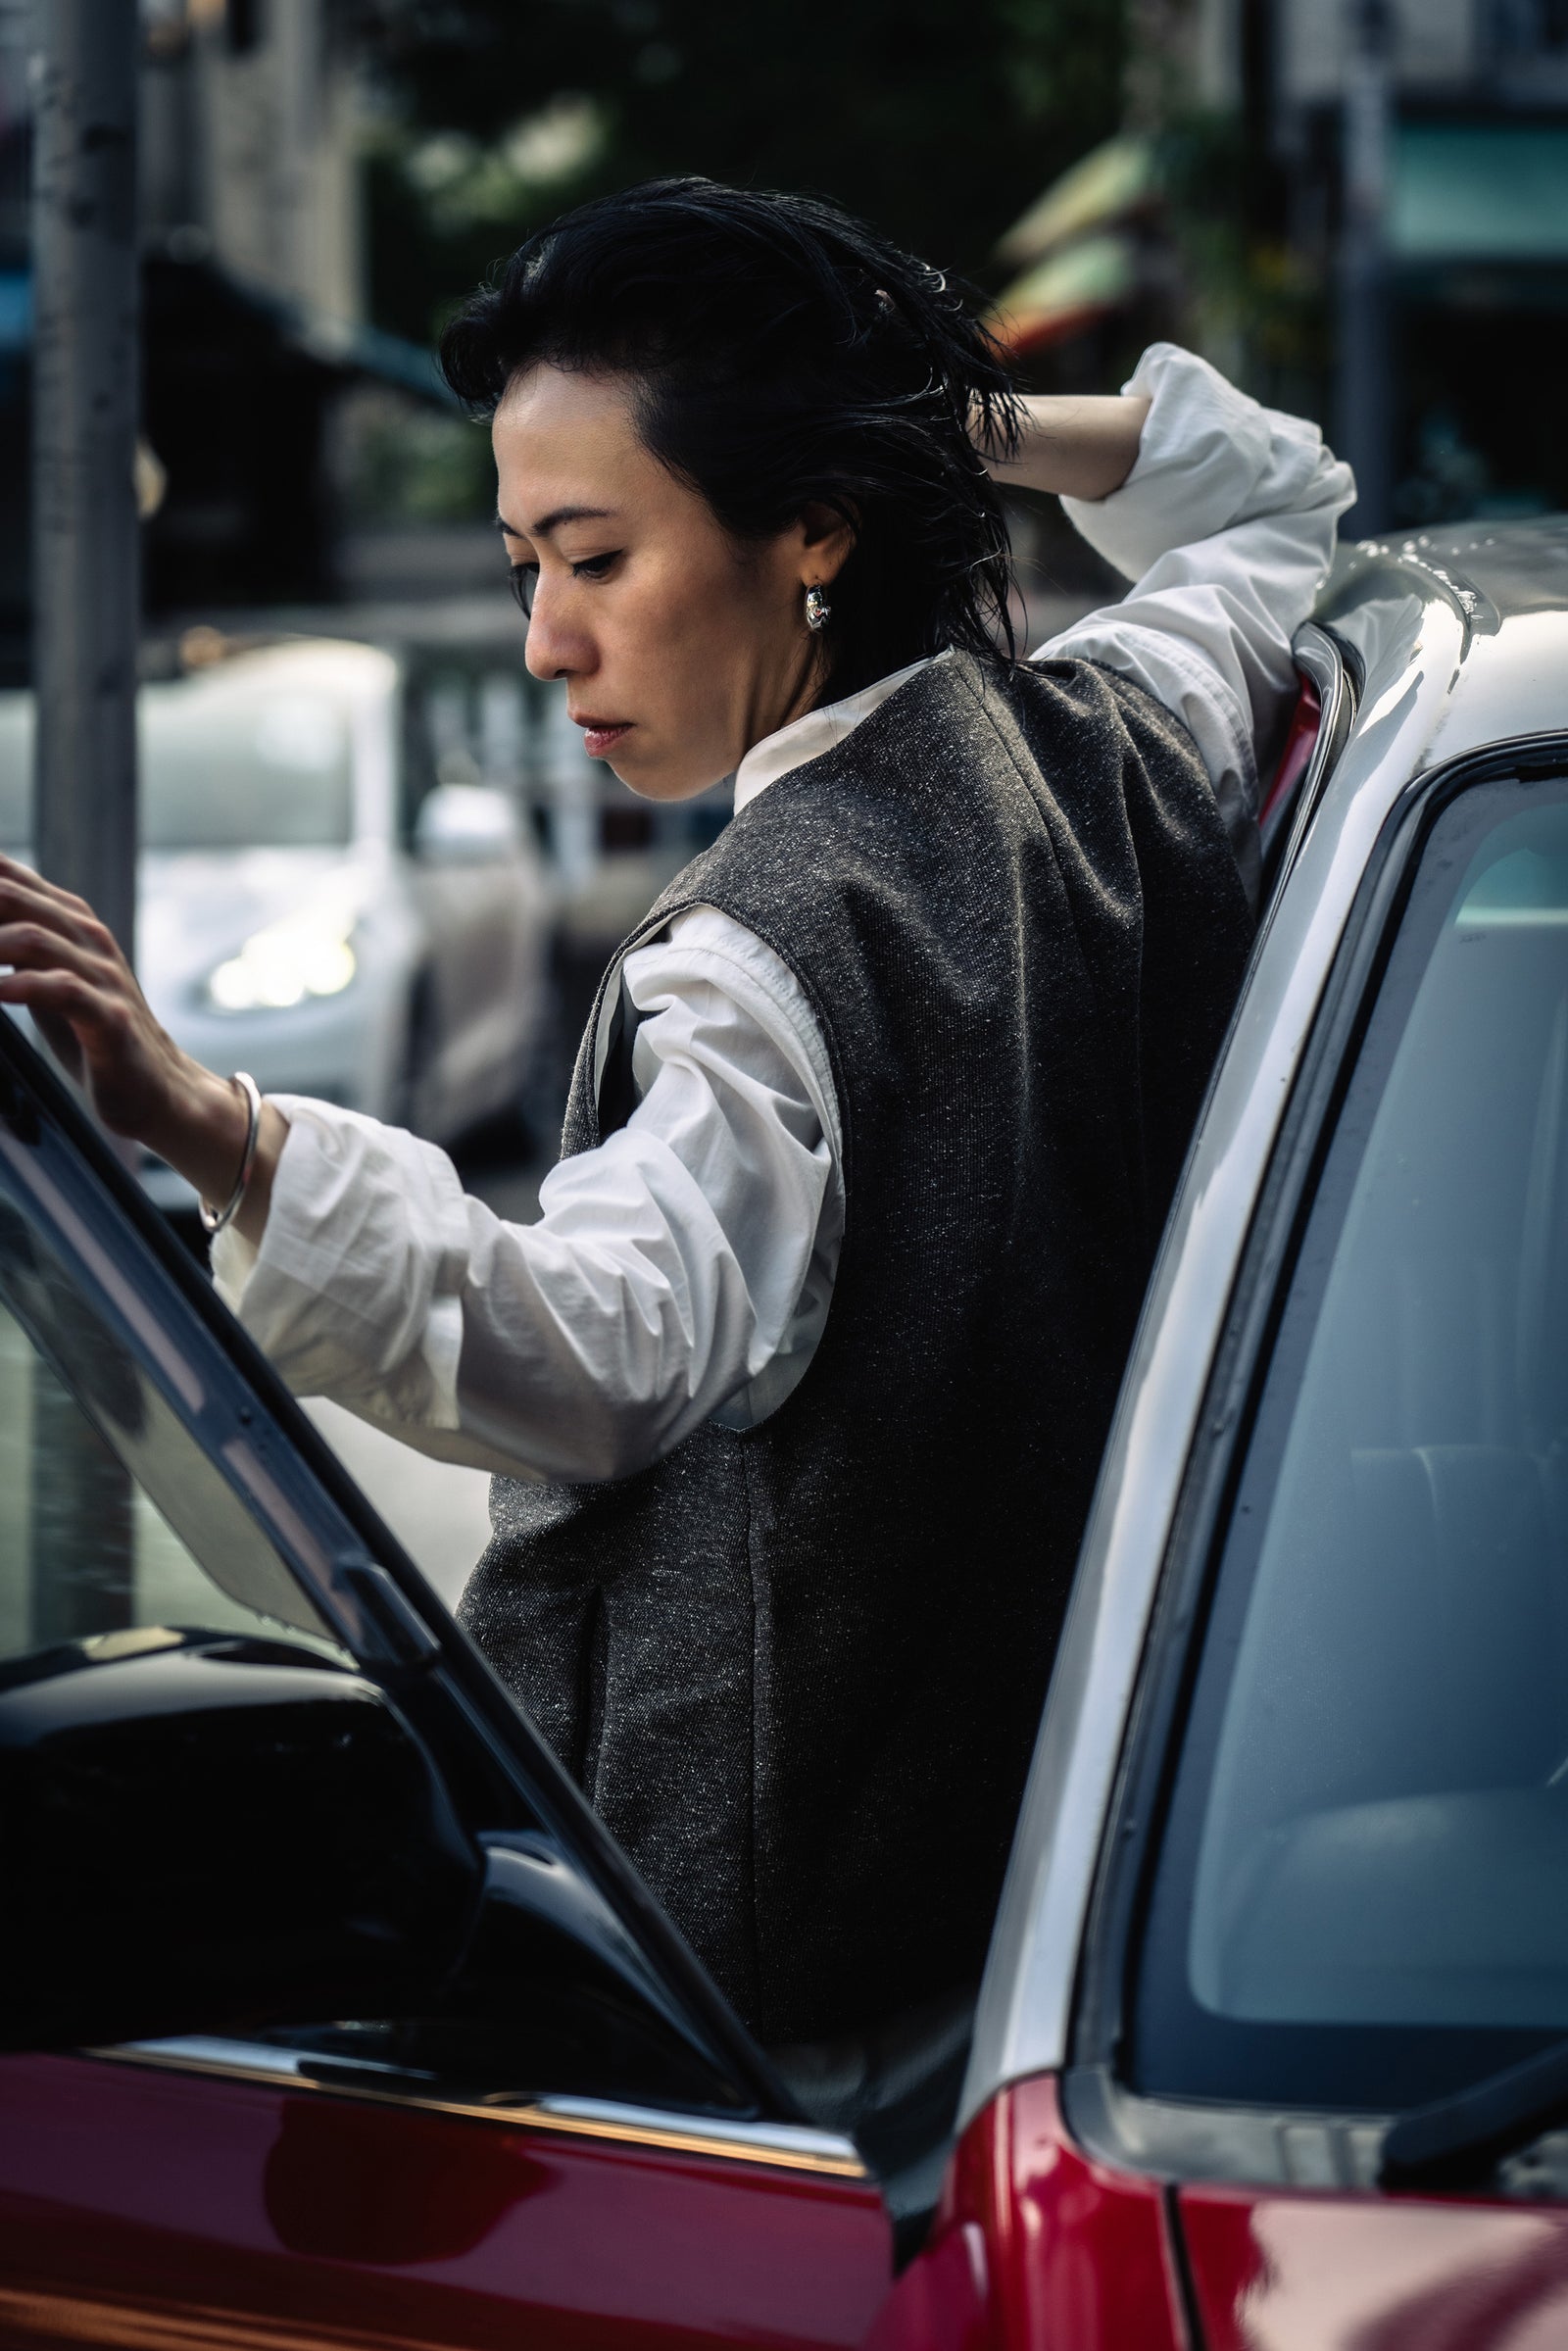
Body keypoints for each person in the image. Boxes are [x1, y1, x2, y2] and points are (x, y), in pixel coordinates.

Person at [0, 181, 1352, 2048]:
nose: (548, 639)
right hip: (1038, 1905)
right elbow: (1277, 494)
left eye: (594, 556)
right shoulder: (1121, 736)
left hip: (719, 1997)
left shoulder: (760, 955)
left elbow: (597, 1343)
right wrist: (891, 426)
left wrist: (210, 1121)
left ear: (811, 533)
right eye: (519, 565)